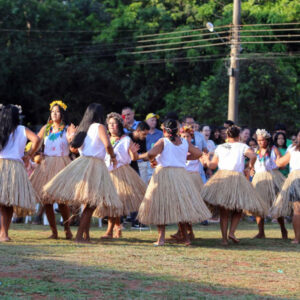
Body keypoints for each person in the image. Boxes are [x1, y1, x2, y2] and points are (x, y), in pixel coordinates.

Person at [43, 103, 123, 243]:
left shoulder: (84, 128)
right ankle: (80, 236)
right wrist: (113, 157)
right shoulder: (99, 127)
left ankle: (85, 236)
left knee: (88, 202)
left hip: (83, 163)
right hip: (95, 165)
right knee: (91, 204)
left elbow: (74, 149)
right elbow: (108, 144)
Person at [138, 119, 212, 246]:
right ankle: (186, 238)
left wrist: (152, 160)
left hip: (164, 174)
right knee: (180, 206)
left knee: (161, 205)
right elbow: (198, 153)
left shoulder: (163, 141)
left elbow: (151, 153)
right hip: (181, 175)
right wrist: (184, 157)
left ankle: (161, 239)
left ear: (164, 130)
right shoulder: (184, 141)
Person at [201, 125, 268, 245]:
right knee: (238, 208)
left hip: (222, 178)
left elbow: (212, 166)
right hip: (237, 178)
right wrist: (250, 167)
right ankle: (231, 232)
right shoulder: (242, 146)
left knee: (224, 212)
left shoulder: (220, 147)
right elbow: (253, 156)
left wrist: (206, 160)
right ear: (239, 136)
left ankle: (224, 239)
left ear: (227, 136)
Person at [30, 100, 73, 239]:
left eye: (57, 111)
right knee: (46, 200)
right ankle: (54, 232)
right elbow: (36, 143)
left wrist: (73, 139)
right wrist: (35, 154)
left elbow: (73, 147)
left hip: (62, 164)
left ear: (62, 113)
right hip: (47, 164)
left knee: (61, 201)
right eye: (52, 111)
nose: (54, 114)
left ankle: (67, 229)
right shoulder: (46, 128)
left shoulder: (68, 128)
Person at [99, 113, 146, 239]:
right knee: (110, 203)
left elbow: (133, 158)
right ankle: (117, 227)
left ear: (119, 125)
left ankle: (110, 231)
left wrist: (135, 153)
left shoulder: (126, 139)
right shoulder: (105, 139)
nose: (112, 126)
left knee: (116, 202)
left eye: (114, 124)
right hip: (107, 172)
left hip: (121, 172)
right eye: (109, 124)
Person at [0, 104, 40, 242]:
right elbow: (37, 140)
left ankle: (2, 233)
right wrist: (29, 155)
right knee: (8, 202)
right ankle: (4, 233)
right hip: (15, 167)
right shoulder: (22, 129)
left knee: (3, 202)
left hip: (1, 165)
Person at [251, 129, 287, 239]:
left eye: (263, 140)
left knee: (277, 204)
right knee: (259, 205)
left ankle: (283, 229)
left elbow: (281, 163)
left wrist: (276, 164)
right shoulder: (255, 150)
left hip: (273, 178)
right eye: (259, 140)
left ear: (267, 140)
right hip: (259, 179)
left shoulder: (273, 149)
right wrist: (251, 169)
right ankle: (261, 232)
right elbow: (251, 164)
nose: (261, 142)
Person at [271, 129, 300, 244]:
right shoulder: (292, 149)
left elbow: (280, 163)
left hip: (296, 178)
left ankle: (297, 238)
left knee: (297, 210)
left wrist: (277, 155)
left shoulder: (292, 149)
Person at [145, 113, 163, 181]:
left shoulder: (160, 133)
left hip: (156, 161)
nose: (154, 122)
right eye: (152, 120)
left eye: (155, 120)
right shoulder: (143, 132)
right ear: (146, 121)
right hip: (144, 161)